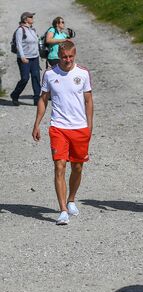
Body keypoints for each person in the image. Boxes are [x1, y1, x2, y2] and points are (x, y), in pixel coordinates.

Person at [32, 41, 94, 225]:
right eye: (64, 57)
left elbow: (89, 101)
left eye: (70, 57)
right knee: (59, 166)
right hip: (58, 127)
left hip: (79, 127)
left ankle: (72, 199)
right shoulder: (50, 74)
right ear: (59, 56)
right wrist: (37, 124)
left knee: (77, 167)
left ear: (75, 55)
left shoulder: (82, 73)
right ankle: (63, 210)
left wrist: (89, 127)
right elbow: (43, 100)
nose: (67, 60)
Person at [10, 11, 40, 106]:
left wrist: (39, 56)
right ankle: (15, 95)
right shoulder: (20, 30)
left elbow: (36, 44)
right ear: (25, 19)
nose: (32, 18)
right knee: (25, 78)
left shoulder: (32, 30)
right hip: (25, 59)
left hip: (35, 58)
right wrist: (22, 57)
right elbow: (19, 45)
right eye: (30, 17)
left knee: (36, 77)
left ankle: (36, 99)